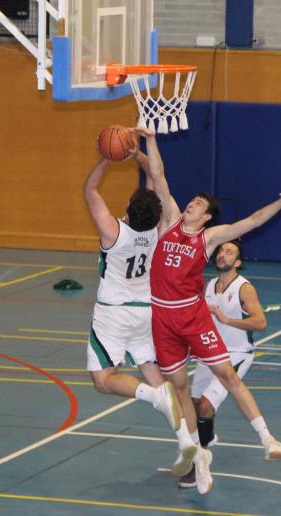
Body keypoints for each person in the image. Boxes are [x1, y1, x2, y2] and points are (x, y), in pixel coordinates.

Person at [139, 126, 281, 495]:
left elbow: (254, 221)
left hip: (192, 315)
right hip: (163, 318)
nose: (191, 204)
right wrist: (150, 137)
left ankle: (268, 439)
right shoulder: (168, 219)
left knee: (228, 375)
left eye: (198, 204)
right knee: (180, 390)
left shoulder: (209, 238)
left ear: (208, 216)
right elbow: (158, 174)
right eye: (192, 201)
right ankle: (199, 458)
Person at [83, 138, 197, 476]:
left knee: (103, 380)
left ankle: (152, 397)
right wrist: (140, 157)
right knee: (158, 377)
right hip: (147, 312)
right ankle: (188, 443)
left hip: (114, 313)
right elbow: (156, 182)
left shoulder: (113, 231)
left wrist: (108, 157)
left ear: (130, 210)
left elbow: (90, 190)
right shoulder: (162, 230)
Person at [179, 240, 268, 489]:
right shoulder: (210, 285)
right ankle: (208, 436)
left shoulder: (244, 288)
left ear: (238, 262)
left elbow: (260, 322)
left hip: (236, 353)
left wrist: (227, 319)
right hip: (210, 352)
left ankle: (199, 464)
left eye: (229, 252)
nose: (222, 254)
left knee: (206, 406)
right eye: (220, 250)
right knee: (195, 406)